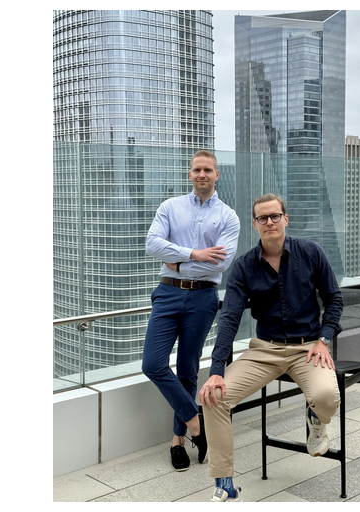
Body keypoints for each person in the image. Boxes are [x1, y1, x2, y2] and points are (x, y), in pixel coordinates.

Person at [198, 193, 343, 502]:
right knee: (214, 397)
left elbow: (334, 299)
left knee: (326, 398)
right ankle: (225, 483)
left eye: (275, 216)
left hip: (308, 347)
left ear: (285, 219)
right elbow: (230, 319)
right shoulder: (244, 267)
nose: (270, 222)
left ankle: (316, 419)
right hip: (265, 350)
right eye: (262, 218)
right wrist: (216, 370)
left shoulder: (311, 252)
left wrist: (324, 339)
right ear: (255, 224)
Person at [142, 150, 240, 472]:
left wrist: (178, 261)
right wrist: (195, 254)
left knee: (187, 368)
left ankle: (178, 441)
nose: (202, 174)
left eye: (208, 170)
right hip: (168, 293)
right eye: (197, 169)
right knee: (152, 364)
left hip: (203, 297)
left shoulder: (228, 217)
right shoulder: (170, 207)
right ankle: (196, 423)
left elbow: (221, 263)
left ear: (216, 174)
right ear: (190, 174)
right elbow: (152, 244)